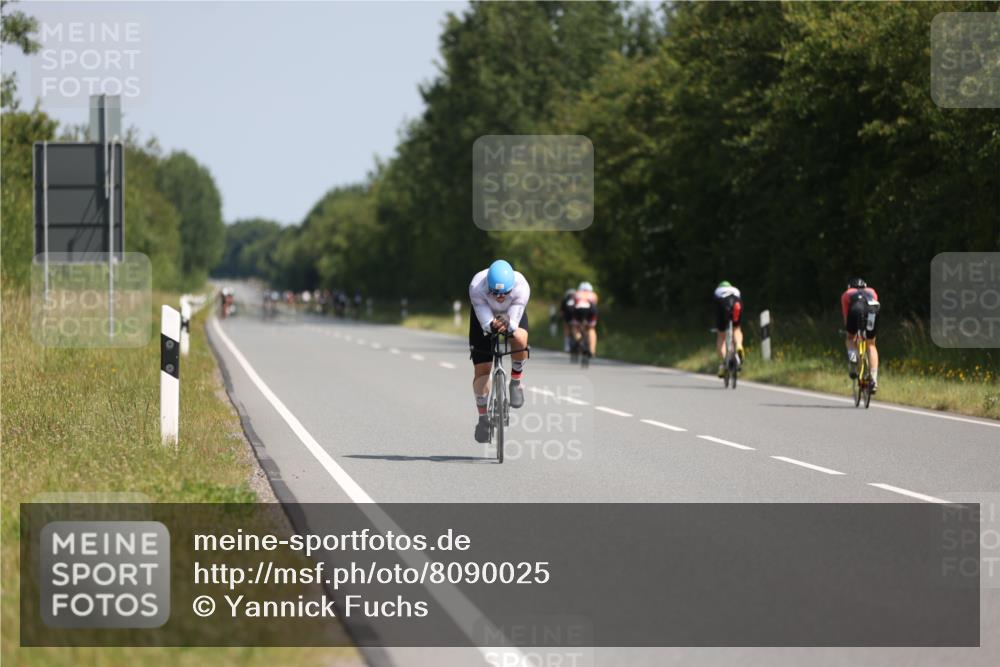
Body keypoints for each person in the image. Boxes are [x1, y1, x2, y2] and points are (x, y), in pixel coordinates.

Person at [469, 259, 530, 443]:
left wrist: (509, 323)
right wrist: (491, 325)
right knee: (482, 370)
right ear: (488, 287)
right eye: (495, 293)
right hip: (484, 316)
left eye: (505, 293)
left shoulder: (521, 286)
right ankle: (482, 418)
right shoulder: (476, 286)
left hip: (512, 315)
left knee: (519, 338)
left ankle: (516, 381)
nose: (500, 297)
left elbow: (514, 324)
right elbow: (486, 325)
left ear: (512, 287)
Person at [841, 277, 880, 393]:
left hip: (855, 309)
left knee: (850, 338)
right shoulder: (872, 291)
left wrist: (850, 331)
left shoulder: (847, 294)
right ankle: (874, 380)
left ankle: (853, 356)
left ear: (850, 287)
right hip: (873, 309)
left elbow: (846, 316)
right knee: (871, 344)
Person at [713, 281, 744, 377]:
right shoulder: (735, 290)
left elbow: (715, 307)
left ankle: (723, 363)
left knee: (721, 335)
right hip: (736, 303)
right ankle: (739, 345)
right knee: (737, 328)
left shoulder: (718, 291)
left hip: (723, 304)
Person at [570, 281, 599, 357]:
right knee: (591, 329)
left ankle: (579, 340)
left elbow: (573, 305)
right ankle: (592, 350)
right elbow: (595, 305)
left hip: (578, 310)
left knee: (575, 328)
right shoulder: (593, 295)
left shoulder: (576, 293)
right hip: (591, 310)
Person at [560, 287, 576, 352]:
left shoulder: (565, 299)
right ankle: (577, 344)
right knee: (574, 329)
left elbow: (561, 311)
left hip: (567, 317)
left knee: (566, 329)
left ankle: (567, 346)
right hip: (575, 317)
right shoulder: (576, 299)